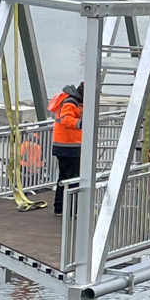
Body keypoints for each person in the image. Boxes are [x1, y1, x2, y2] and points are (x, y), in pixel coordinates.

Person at [49, 82, 83, 216]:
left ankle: (60, 208)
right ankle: (71, 210)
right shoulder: (71, 103)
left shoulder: (68, 100)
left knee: (63, 178)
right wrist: (80, 123)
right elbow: (66, 120)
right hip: (70, 146)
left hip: (63, 145)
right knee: (73, 179)